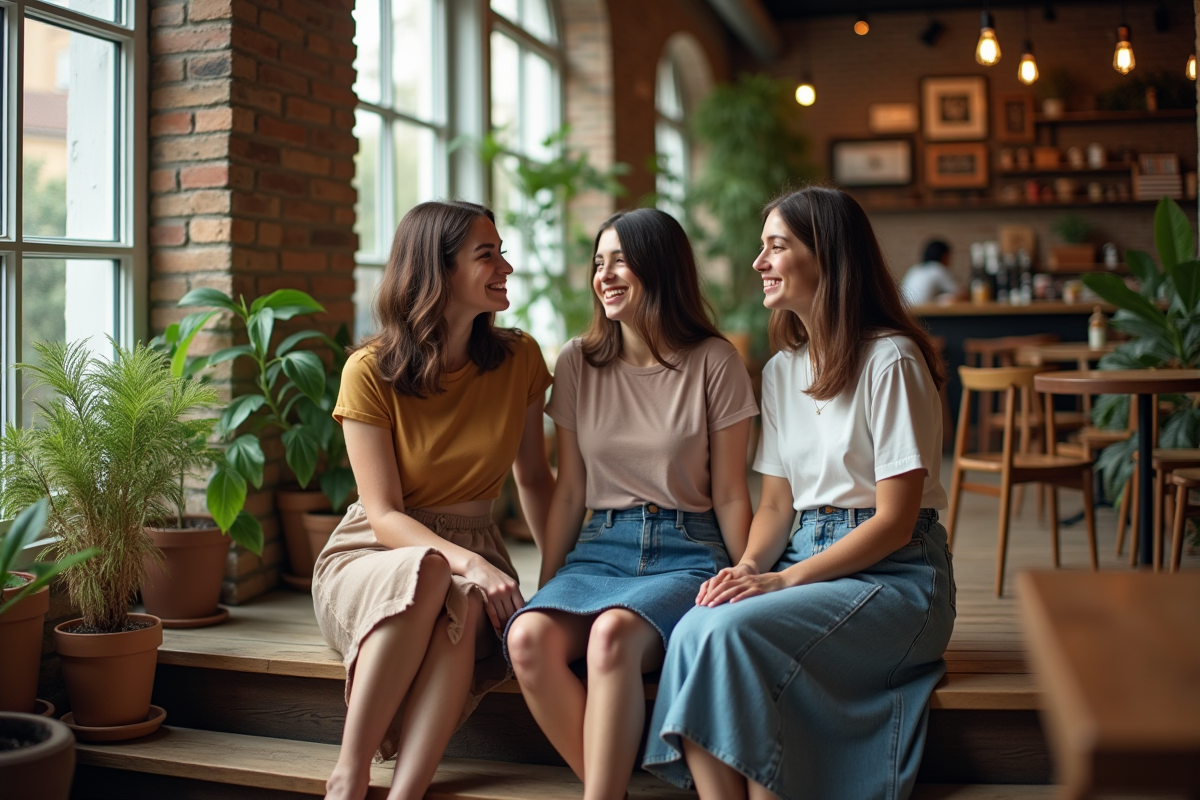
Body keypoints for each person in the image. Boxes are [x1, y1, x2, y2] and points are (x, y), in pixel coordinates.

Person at [644, 187, 956, 800]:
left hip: (895, 577)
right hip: (802, 559)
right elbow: (776, 506)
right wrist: (751, 567)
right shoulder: (783, 369)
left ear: (828, 258)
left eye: (776, 247)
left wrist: (784, 582)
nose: (759, 262)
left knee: (732, 634)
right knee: (695, 626)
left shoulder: (891, 361)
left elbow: (895, 522)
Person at [504, 208, 758, 800]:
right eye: (599, 262)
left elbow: (729, 491)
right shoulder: (576, 362)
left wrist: (749, 575)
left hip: (686, 549)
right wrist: (547, 584)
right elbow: (569, 488)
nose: (605, 275)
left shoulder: (713, 362)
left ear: (660, 268)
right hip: (599, 548)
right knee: (527, 639)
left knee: (611, 637)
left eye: (621, 260)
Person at [311, 200, 555, 800]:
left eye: (502, 252)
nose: (506, 267)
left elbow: (535, 479)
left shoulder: (520, 358)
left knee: (467, 602)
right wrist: (468, 563)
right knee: (432, 573)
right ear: (437, 270)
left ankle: (408, 791)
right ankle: (350, 773)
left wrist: (556, 576)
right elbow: (385, 513)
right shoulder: (369, 370)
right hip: (376, 551)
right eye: (487, 254)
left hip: (471, 553)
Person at [900, 239, 963, 305]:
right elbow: (961, 293)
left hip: (904, 311)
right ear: (944, 256)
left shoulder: (915, 269)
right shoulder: (937, 268)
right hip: (923, 313)